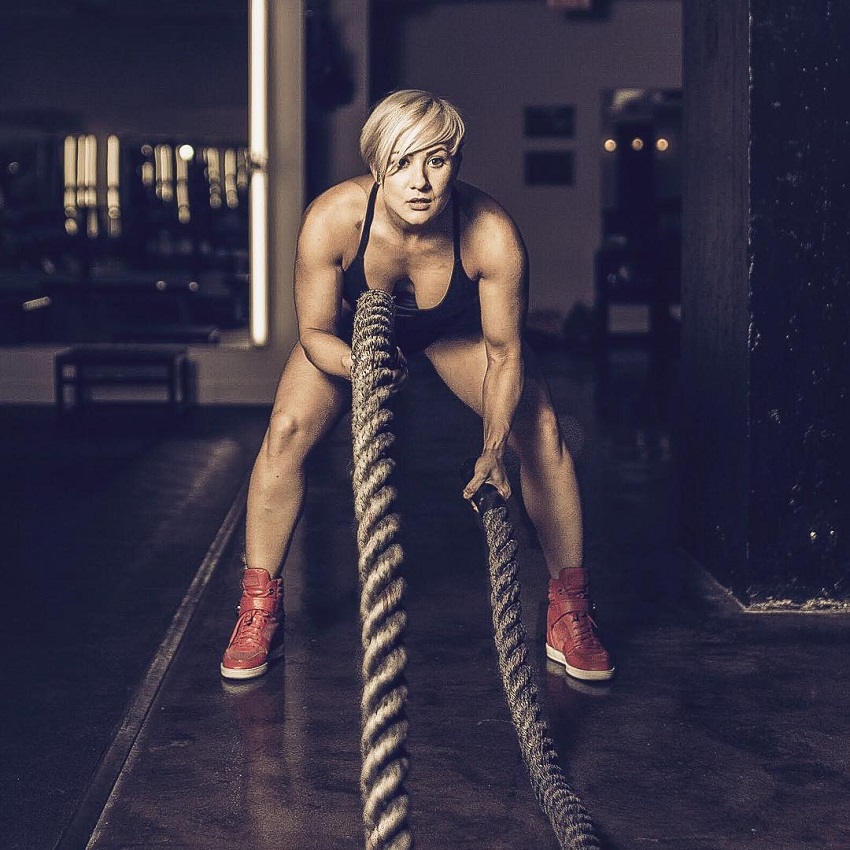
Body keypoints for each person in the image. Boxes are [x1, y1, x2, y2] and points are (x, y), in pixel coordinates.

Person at [220, 89, 613, 683]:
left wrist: (490, 448)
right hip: (351, 338)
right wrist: (362, 367)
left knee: (543, 434)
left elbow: (505, 353)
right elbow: (314, 331)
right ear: (377, 164)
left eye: (436, 160)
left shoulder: (491, 235)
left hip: (453, 331)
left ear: (456, 160)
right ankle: (258, 607)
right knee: (285, 432)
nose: (420, 181)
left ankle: (570, 610)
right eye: (402, 162)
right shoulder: (333, 219)